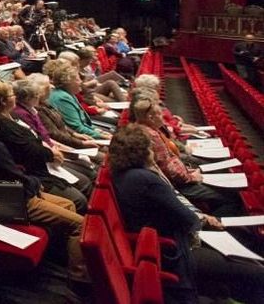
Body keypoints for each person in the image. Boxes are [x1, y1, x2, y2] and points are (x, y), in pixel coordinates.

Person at [109, 124, 264, 304]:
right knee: (257, 273)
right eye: (150, 148)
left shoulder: (122, 174)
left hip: (167, 244)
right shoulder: (147, 179)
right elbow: (189, 219)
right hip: (176, 252)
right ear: (143, 152)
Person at [0, 96, 86, 281]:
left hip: (12, 192)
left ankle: (58, 261)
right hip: (16, 200)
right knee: (80, 224)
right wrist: (35, 182)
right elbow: (16, 178)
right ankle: (79, 278)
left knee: (68, 205)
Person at [0, 80, 89, 211]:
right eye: (11, 94)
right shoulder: (4, 125)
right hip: (36, 173)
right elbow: (29, 150)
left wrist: (51, 150)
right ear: (3, 101)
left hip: (47, 162)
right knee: (79, 198)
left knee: (85, 176)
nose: (15, 96)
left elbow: (37, 137)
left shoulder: (14, 116)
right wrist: (51, 154)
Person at [130, 96, 243, 217]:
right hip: (177, 185)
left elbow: (170, 162)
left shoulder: (144, 129)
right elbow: (169, 170)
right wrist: (192, 177)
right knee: (230, 198)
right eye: (160, 114)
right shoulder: (152, 135)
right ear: (150, 117)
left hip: (177, 178)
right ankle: (215, 227)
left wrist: (189, 171)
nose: (163, 117)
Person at [44, 58, 112, 139]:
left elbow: (82, 124)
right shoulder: (62, 98)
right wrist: (100, 135)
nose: (81, 82)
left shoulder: (68, 93)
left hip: (85, 130)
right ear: (68, 81)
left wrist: (97, 130)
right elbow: (77, 128)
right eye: (77, 79)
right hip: (77, 138)